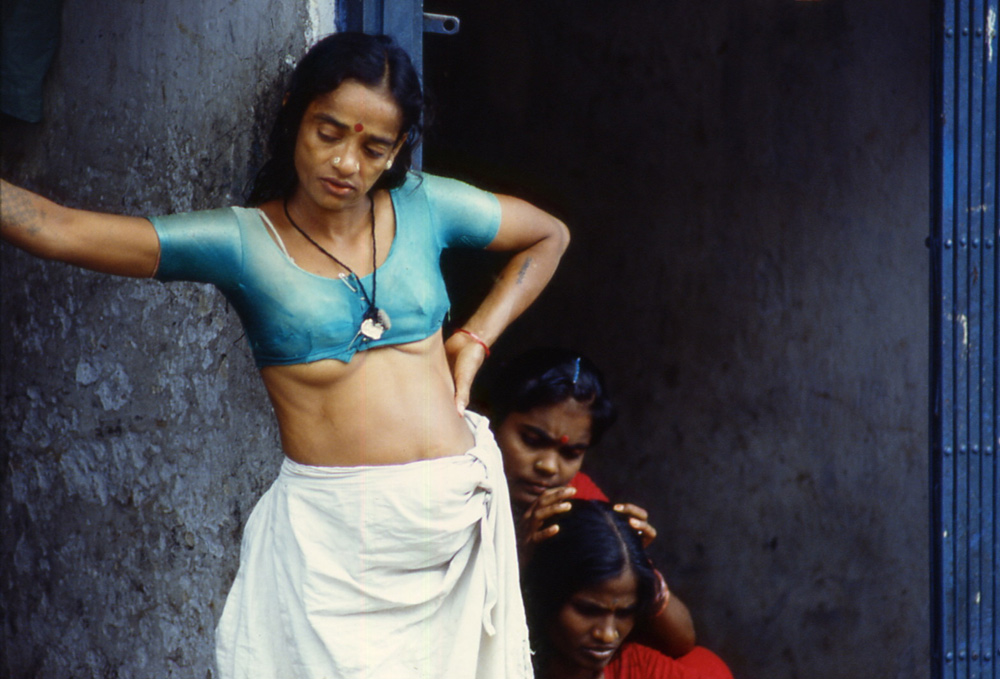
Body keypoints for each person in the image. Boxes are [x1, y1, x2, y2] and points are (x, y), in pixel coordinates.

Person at [0, 32, 569, 679]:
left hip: (454, 528)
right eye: (328, 133)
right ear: (294, 113)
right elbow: (58, 228)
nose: (346, 162)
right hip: (337, 553)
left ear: (397, 150)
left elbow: (548, 236)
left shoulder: (425, 205)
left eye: (373, 148)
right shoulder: (244, 243)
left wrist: (475, 338)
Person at [485, 347, 694, 658]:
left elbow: (681, 641)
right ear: (490, 421)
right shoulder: (458, 492)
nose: (548, 466)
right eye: (532, 440)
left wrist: (636, 569)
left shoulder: (576, 501)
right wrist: (521, 556)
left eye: (571, 453)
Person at [522, 500, 733, 679]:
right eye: (588, 610)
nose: (607, 635)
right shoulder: (507, 665)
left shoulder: (638, 669)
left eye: (624, 613)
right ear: (544, 595)